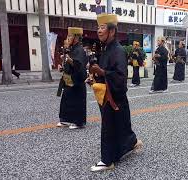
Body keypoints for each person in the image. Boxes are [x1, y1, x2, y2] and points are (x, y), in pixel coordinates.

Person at [89, 13, 142, 172]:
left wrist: (102, 72)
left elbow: (120, 77)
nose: (99, 31)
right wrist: (94, 76)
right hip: (110, 96)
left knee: (109, 128)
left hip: (115, 97)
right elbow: (105, 72)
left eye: (102, 27)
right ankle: (131, 143)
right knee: (121, 125)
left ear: (112, 31)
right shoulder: (106, 49)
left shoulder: (118, 50)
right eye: (98, 27)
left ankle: (107, 160)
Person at [57, 27, 88, 129]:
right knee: (66, 99)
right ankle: (66, 120)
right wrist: (62, 68)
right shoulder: (71, 49)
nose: (68, 38)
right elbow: (69, 64)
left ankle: (79, 122)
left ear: (76, 37)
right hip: (68, 80)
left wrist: (69, 60)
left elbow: (80, 65)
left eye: (70, 36)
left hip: (77, 81)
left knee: (77, 101)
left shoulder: (80, 50)